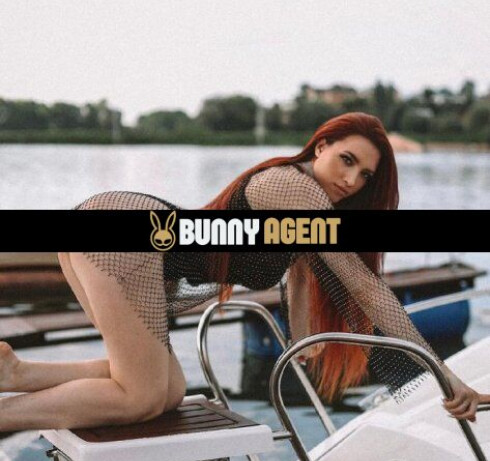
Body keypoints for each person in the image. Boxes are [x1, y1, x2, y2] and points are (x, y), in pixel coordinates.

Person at [0, 112, 487, 433]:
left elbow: (300, 288)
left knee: (167, 391)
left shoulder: (306, 209)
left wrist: (304, 345)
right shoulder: (293, 188)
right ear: (320, 146)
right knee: (140, 397)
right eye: (347, 160)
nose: (351, 180)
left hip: (127, 240)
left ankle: (17, 373)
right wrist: (445, 377)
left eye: (364, 176)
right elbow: (365, 286)